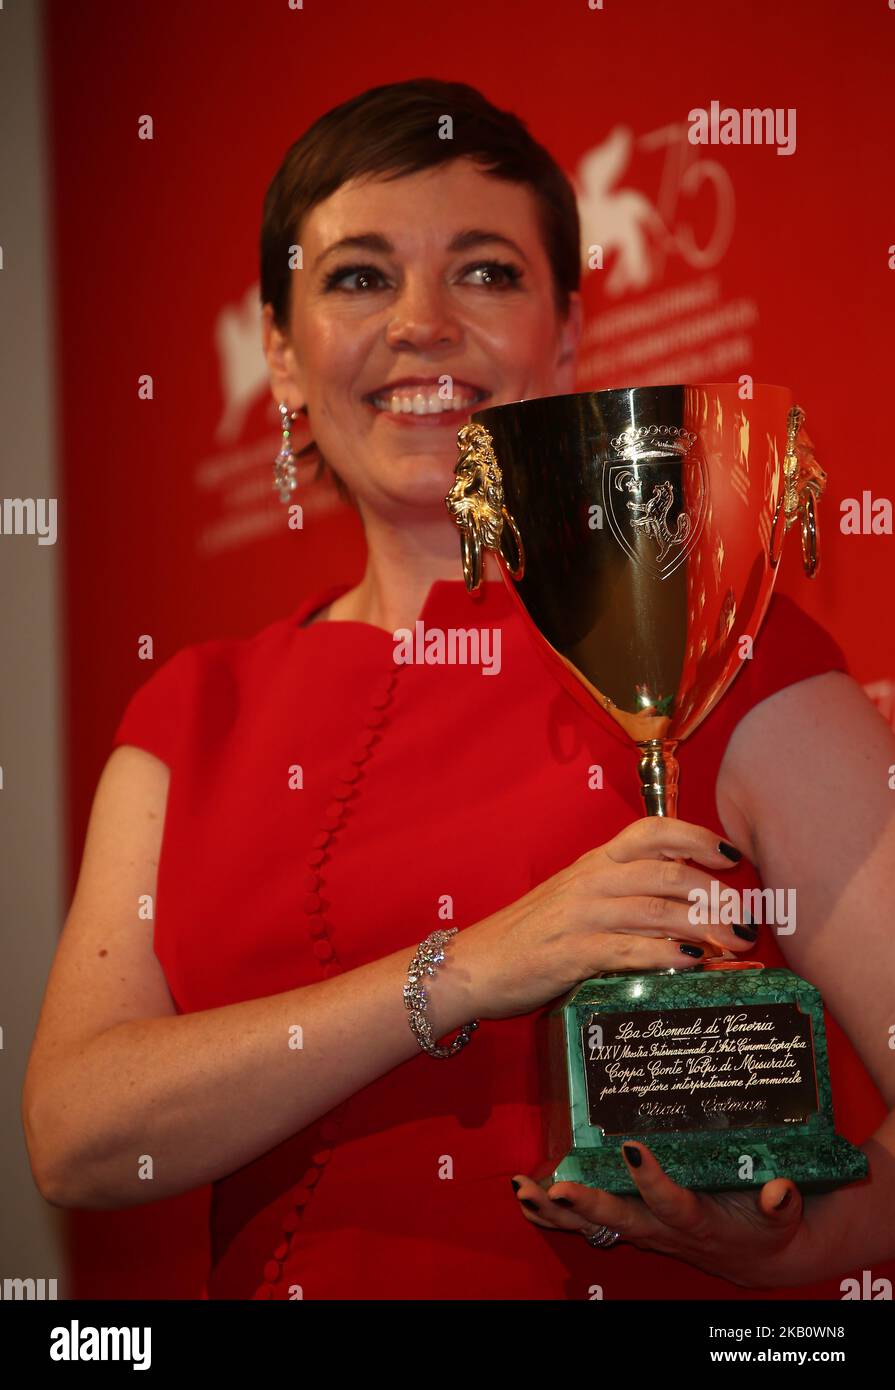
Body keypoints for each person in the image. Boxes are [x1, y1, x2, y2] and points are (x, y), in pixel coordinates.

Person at [22, 79, 895, 1301]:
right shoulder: (189, 714)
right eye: (359, 276)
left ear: (569, 338)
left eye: (484, 272)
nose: (423, 324)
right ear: (278, 351)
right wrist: (464, 972)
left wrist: (809, 1241)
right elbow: (74, 1135)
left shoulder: (719, 640)